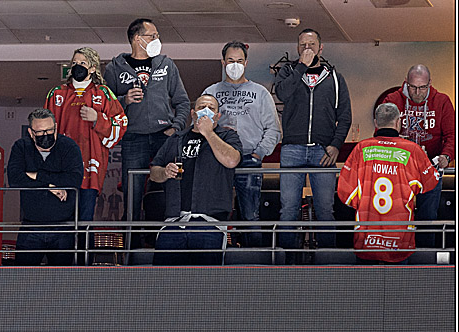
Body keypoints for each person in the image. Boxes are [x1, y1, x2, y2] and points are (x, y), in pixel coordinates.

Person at [103, 18, 191, 231]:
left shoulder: (166, 65)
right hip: (133, 137)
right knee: (132, 196)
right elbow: (105, 107)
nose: (157, 40)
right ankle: (131, 253)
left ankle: (172, 236)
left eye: (158, 36)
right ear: (137, 38)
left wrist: (176, 128)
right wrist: (125, 100)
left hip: (165, 135)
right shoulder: (114, 68)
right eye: (152, 36)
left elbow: (182, 101)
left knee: (173, 187)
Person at [274, 28, 352, 255]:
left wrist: (336, 144)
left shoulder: (335, 79)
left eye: (311, 45)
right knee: (288, 208)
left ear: (321, 47)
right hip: (291, 149)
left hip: (323, 151)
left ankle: (328, 259)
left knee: (325, 209)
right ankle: (287, 259)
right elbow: (282, 94)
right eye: (302, 45)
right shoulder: (288, 72)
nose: (307, 49)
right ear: (297, 48)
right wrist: (301, 66)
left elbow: (345, 115)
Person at [337, 103, 438, 264]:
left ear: (376, 123)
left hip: (366, 238)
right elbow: (431, 182)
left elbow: (345, 192)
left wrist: (362, 204)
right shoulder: (413, 150)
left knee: (365, 287)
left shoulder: (361, 148)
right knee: (397, 287)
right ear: (398, 122)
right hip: (400, 240)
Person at [203, 41, 282, 246]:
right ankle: (217, 256)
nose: (235, 65)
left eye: (239, 61)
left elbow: (274, 129)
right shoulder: (211, 92)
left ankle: (252, 260)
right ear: (223, 62)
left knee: (250, 215)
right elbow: (201, 125)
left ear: (246, 63)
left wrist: (258, 154)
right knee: (215, 214)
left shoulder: (260, 93)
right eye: (230, 60)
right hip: (218, 160)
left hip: (249, 160)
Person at [149, 95, 242, 264]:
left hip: (209, 222)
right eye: (201, 107)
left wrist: (208, 132)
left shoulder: (228, 136)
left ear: (218, 116)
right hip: (174, 222)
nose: (206, 110)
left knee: (205, 281)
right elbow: (154, 171)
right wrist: (164, 172)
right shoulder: (176, 139)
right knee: (163, 280)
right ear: (193, 113)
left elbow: (231, 160)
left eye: (211, 108)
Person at [45, 46, 128, 223]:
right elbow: (44, 129)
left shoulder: (103, 93)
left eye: (83, 63)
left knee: (85, 220)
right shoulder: (56, 94)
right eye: (74, 63)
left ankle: (84, 251)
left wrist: (98, 118)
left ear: (92, 68)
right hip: (62, 168)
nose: (77, 66)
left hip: (92, 166)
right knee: (61, 219)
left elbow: (121, 123)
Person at [383, 64, 455, 246]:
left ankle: (424, 257)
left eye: (422, 87)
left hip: (431, 167)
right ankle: (397, 255)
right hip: (399, 169)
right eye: (413, 87)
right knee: (396, 212)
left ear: (429, 83)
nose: (417, 92)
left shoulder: (442, 101)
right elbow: (382, 130)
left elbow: (452, 135)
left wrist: (446, 156)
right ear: (406, 83)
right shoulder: (392, 100)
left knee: (428, 215)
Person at [6, 108, 84, 266]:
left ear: (56, 127)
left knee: (63, 281)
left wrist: (37, 176)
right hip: (31, 225)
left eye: (50, 130)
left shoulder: (68, 146)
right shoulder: (21, 147)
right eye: (40, 132)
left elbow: (74, 179)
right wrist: (49, 185)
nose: (46, 135)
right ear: (31, 132)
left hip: (63, 227)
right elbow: (14, 178)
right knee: (23, 278)